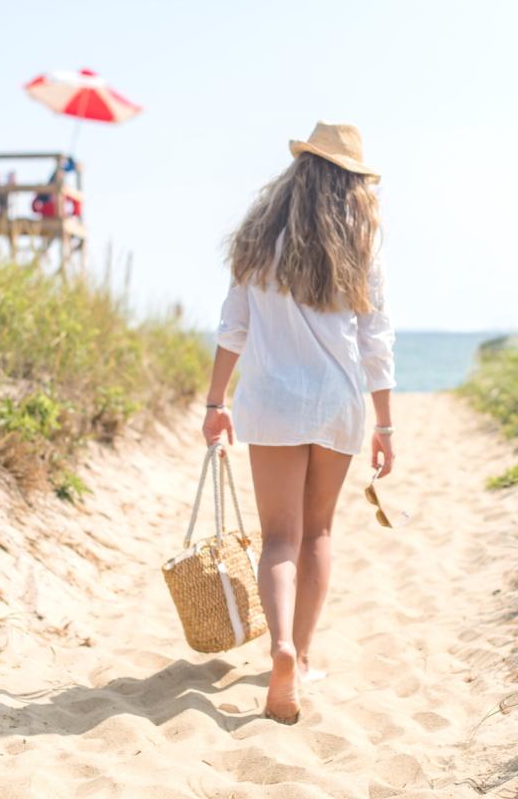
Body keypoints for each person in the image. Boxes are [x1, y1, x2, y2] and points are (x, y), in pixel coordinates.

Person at [202, 121, 396, 725]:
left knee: (279, 539)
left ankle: (280, 646)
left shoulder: (259, 238)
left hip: (271, 402)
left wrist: (215, 404)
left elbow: (233, 327)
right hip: (337, 402)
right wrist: (386, 426)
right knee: (318, 536)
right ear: (350, 181)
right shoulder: (360, 242)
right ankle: (303, 658)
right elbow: (376, 341)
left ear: (300, 172)